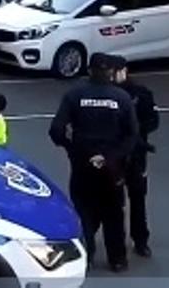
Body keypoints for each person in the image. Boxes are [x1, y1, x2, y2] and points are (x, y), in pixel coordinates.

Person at [48, 53, 139, 272]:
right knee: (114, 214)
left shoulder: (74, 95)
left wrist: (73, 150)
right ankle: (117, 259)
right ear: (110, 72)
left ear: (89, 70)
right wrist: (111, 157)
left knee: (83, 212)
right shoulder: (121, 98)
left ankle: (85, 257)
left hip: (82, 165)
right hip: (112, 167)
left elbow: (56, 130)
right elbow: (132, 135)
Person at [111, 55, 160, 258]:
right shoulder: (107, 94)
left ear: (125, 71)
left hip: (137, 156)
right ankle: (115, 242)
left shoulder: (141, 94)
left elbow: (153, 121)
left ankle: (140, 240)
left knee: (138, 199)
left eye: (117, 71)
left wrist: (137, 134)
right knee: (113, 201)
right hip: (115, 155)